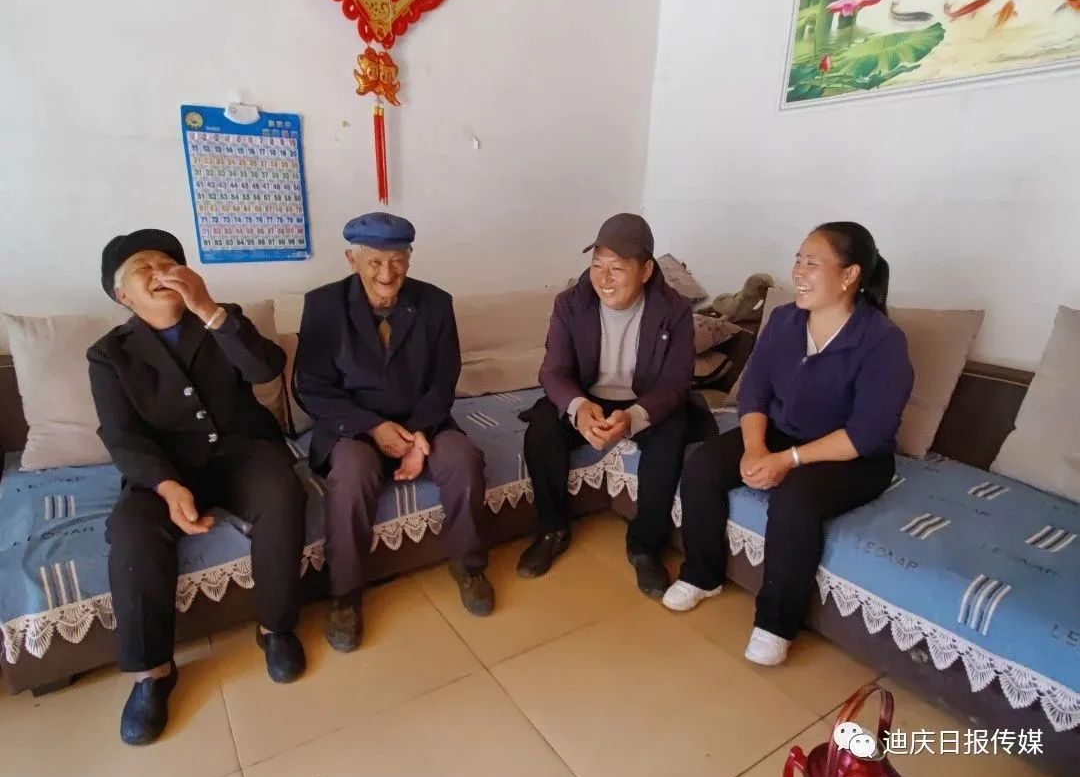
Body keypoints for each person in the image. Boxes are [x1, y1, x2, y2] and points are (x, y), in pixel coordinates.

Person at [88, 229, 307, 746]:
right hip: (166, 468)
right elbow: (120, 434)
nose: (159, 271)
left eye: (167, 262)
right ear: (123, 296)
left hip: (242, 451)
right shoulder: (109, 354)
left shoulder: (220, 317)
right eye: (143, 267)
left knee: (282, 494)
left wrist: (208, 308)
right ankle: (153, 672)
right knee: (132, 529)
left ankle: (275, 628)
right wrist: (165, 484)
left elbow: (267, 368)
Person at [665, 222, 914, 666]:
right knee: (703, 465)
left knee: (795, 500)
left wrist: (788, 460)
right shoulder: (784, 320)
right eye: (798, 259)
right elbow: (755, 391)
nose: (798, 271)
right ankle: (702, 575)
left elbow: (867, 433)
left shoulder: (882, 341)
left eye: (812, 263)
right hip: (784, 432)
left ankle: (776, 623)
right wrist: (755, 448)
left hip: (853, 455)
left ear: (850, 274)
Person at [295, 212, 493, 654]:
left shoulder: (435, 303)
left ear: (409, 259)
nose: (387, 273)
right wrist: (374, 427)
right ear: (352, 260)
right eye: (374, 262)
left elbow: (443, 380)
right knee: (352, 472)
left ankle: (469, 567)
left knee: (463, 459)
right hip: (353, 427)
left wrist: (418, 436)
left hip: (422, 421)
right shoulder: (324, 306)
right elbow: (311, 387)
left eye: (397, 261)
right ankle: (344, 596)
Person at [518, 213, 715, 597]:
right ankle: (552, 530)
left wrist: (635, 416)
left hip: (644, 401)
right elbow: (553, 370)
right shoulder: (570, 303)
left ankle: (645, 546)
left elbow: (676, 382)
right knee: (543, 427)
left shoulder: (673, 309)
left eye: (617, 268)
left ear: (646, 270)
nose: (604, 278)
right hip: (587, 396)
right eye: (597, 266)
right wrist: (578, 407)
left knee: (671, 433)